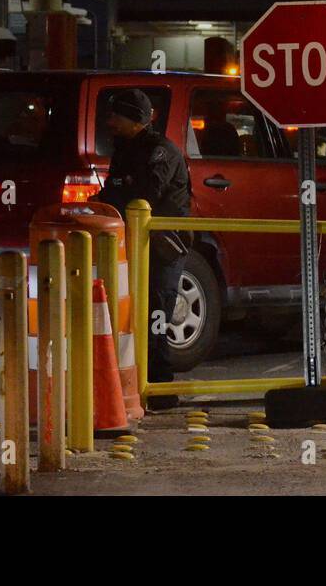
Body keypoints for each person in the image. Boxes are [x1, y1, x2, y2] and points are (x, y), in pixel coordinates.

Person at [92, 88, 192, 411]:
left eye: (116, 116)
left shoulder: (160, 151)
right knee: (130, 314)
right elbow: (116, 192)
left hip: (162, 245)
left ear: (135, 120)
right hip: (131, 244)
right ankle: (136, 383)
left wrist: (118, 193)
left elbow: (145, 192)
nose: (110, 123)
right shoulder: (124, 150)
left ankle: (161, 387)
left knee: (156, 313)